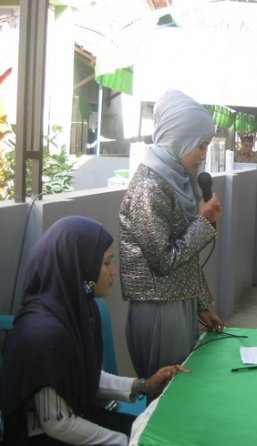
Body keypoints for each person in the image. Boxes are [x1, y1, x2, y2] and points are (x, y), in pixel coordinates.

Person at [0, 216, 189, 445]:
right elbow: (57, 422)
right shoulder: (44, 335)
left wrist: (143, 385)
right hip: (48, 437)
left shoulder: (80, 308)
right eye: (107, 263)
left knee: (160, 432)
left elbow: (84, 374)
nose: (113, 271)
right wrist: (124, 441)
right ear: (81, 268)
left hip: (79, 417)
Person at [119, 89, 224, 380]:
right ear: (180, 139)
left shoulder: (178, 181)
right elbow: (163, 261)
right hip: (158, 310)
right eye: (200, 146)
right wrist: (203, 222)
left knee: (184, 386)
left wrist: (200, 304)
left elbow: (185, 258)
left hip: (179, 303)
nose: (203, 156)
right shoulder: (149, 187)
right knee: (168, 390)